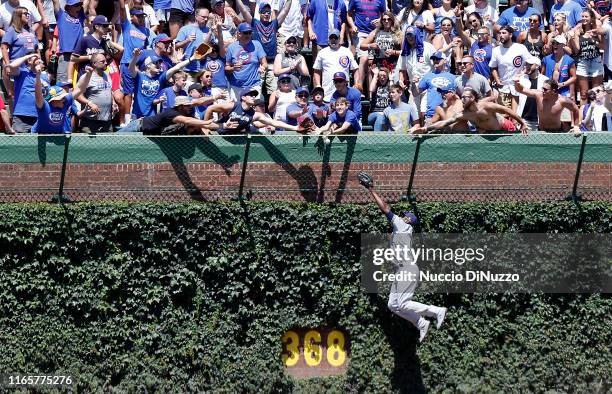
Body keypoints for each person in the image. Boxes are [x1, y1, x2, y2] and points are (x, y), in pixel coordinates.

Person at [358, 173, 446, 342]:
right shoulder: (402, 231)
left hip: (407, 268)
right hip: (402, 270)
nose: (402, 215)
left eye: (405, 215)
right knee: (393, 305)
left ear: (408, 220)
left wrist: (371, 189)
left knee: (403, 303)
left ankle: (436, 311)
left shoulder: (403, 224)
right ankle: (421, 323)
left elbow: (385, 208)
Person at [236, 0, 293, 96]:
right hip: (259, 64)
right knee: (256, 91)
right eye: (263, 12)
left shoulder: (274, 24)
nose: (266, 14)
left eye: (268, 12)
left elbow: (285, 10)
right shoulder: (254, 23)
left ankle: (272, 110)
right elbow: (244, 11)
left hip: (272, 63)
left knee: (274, 92)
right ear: (259, 13)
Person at [412, 87, 529, 133]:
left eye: (465, 97)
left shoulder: (486, 106)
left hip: (505, 127)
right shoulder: (464, 114)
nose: (462, 99)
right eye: (461, 97)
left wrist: (522, 123)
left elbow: (507, 110)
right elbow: (444, 122)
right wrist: (426, 128)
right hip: (489, 133)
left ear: (473, 98)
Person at [204, 86, 314, 134]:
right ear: (243, 97)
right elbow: (210, 108)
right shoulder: (232, 105)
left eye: (254, 95)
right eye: (250, 95)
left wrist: (295, 127)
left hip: (234, 138)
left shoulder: (255, 115)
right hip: (218, 134)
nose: (253, 97)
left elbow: (274, 122)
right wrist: (205, 128)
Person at [128, 47, 197, 118]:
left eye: (159, 63)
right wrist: (135, 56)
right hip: (137, 114)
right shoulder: (140, 76)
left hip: (151, 115)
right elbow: (130, 69)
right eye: (156, 63)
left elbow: (177, 67)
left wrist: (192, 58)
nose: (159, 65)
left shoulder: (160, 77)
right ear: (148, 65)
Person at [32, 63, 91, 133]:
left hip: (58, 136)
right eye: (62, 97)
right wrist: (38, 76)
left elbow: (80, 89)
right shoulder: (43, 106)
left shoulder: (65, 101)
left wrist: (88, 74)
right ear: (54, 99)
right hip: (39, 136)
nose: (64, 99)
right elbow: (37, 93)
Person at [119, 96, 222, 135]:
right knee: (112, 139)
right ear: (180, 107)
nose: (189, 107)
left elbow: (199, 102)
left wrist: (215, 97)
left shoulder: (183, 111)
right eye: (187, 106)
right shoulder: (172, 113)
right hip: (137, 126)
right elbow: (187, 121)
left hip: (146, 130)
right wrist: (205, 122)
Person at [118, 3, 150, 126]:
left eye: (143, 16)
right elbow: (121, 9)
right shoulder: (127, 26)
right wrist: (121, 3)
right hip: (127, 63)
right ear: (132, 17)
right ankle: (126, 121)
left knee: (139, 92)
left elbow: (147, 49)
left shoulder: (146, 31)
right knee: (128, 92)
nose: (141, 18)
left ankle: (136, 117)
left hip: (140, 65)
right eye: (138, 16)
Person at [514, 76, 580, 133]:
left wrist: (576, 126)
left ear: (553, 91)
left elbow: (575, 109)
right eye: (542, 88)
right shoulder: (538, 95)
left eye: (545, 89)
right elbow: (521, 90)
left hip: (557, 131)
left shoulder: (562, 100)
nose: (543, 91)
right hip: (541, 131)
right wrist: (517, 83)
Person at [347, 0, 386, 92]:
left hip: (376, 32)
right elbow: (349, 15)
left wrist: (380, 20)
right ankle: (359, 87)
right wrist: (352, 26)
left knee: (371, 64)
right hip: (361, 32)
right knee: (364, 58)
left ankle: (371, 93)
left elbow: (384, 15)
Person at [489, 25, 530, 112]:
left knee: (517, 115)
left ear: (510, 35)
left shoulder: (520, 48)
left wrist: (522, 73)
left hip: (519, 87)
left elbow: (531, 63)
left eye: (504, 33)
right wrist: (497, 79)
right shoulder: (496, 50)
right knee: (505, 115)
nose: (501, 35)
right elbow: (493, 67)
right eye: (499, 33)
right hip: (504, 88)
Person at [569, 10, 605, 106]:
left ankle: (596, 116)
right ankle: (583, 118)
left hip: (596, 62)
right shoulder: (578, 31)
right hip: (582, 62)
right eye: (583, 17)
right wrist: (572, 39)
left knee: (596, 93)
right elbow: (577, 51)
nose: (584, 19)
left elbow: (603, 46)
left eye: (586, 17)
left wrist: (595, 41)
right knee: (583, 94)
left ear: (591, 18)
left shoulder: (597, 30)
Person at [312, 29, 359, 102]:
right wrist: (318, 85)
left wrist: (356, 84)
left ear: (339, 39)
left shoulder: (346, 51)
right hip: (327, 94)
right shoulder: (322, 52)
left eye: (336, 38)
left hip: (345, 95)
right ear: (328, 39)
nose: (333, 40)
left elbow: (355, 69)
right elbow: (317, 71)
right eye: (331, 38)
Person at [399, 26, 435, 120]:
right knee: (414, 113)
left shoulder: (428, 47)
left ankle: (424, 133)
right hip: (414, 86)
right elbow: (402, 69)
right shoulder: (405, 51)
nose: (410, 38)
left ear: (417, 35)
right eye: (408, 35)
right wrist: (401, 80)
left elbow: (436, 65)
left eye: (412, 35)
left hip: (428, 86)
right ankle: (416, 133)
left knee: (424, 113)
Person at [225, 22, 267, 101]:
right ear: (239, 34)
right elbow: (227, 67)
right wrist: (233, 68)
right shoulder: (232, 47)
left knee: (255, 108)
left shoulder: (257, 44)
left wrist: (263, 67)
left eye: (250, 32)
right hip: (236, 86)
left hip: (254, 85)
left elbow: (264, 63)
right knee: (237, 110)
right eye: (245, 33)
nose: (248, 35)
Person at [76, 52, 117, 133]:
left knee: (110, 145)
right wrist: (89, 103)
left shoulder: (107, 75)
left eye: (106, 61)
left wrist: (114, 103)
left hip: (107, 121)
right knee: (90, 145)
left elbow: (109, 91)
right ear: (94, 63)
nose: (106, 63)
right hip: (90, 121)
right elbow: (77, 95)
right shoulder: (86, 77)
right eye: (103, 61)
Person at [359, 11, 402, 86]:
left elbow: (404, 52)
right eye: (384, 19)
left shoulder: (398, 33)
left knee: (392, 88)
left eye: (389, 19)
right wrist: (370, 45)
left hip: (393, 65)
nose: (386, 21)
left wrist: (394, 52)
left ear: (392, 20)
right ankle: (371, 97)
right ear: (381, 21)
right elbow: (362, 46)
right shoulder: (376, 32)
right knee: (376, 89)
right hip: (378, 65)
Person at [9, 52, 50, 133]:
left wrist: (44, 85)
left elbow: (46, 95)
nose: (38, 59)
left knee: (39, 144)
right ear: (29, 61)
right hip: (22, 115)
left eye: (39, 58)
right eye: (35, 57)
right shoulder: (22, 72)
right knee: (20, 143)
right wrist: (29, 55)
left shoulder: (44, 76)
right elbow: (12, 66)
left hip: (39, 115)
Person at [542, 35, 577, 128]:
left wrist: (563, 84)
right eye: (553, 43)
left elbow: (574, 77)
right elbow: (541, 76)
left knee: (565, 121)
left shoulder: (569, 60)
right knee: (548, 120)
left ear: (563, 45)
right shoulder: (546, 59)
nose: (554, 45)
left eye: (557, 43)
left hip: (563, 92)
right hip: (549, 93)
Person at [52, 0, 86, 83]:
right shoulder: (61, 15)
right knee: (63, 85)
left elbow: (87, 3)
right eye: (76, 5)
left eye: (80, 5)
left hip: (79, 56)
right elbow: (55, 2)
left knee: (79, 85)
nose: (79, 7)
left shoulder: (81, 16)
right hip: (65, 56)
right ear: (69, 7)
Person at [174, 7, 212, 81]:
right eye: (203, 17)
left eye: (207, 17)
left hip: (203, 71)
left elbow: (213, 46)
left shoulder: (209, 30)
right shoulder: (185, 29)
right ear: (196, 16)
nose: (206, 19)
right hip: (187, 69)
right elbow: (176, 46)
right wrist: (187, 40)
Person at [417, 51, 456, 124]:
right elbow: (416, 93)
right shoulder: (428, 76)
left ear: (444, 60)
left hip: (447, 114)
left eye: (438, 59)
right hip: (431, 115)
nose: (435, 61)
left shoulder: (452, 77)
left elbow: (456, 96)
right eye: (434, 59)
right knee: (428, 135)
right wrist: (413, 83)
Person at [516, 56, 547, 131]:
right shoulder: (520, 79)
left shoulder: (545, 80)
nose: (527, 66)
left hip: (539, 120)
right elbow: (515, 98)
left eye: (530, 64)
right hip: (523, 120)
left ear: (537, 66)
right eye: (526, 64)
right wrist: (515, 118)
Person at [368, 66, 391, 131]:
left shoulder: (389, 86)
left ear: (387, 77)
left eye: (384, 76)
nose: (382, 77)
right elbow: (371, 89)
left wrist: (391, 80)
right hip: (373, 114)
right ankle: (376, 138)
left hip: (387, 115)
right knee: (380, 116)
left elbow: (394, 92)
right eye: (380, 76)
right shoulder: (376, 85)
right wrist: (375, 75)